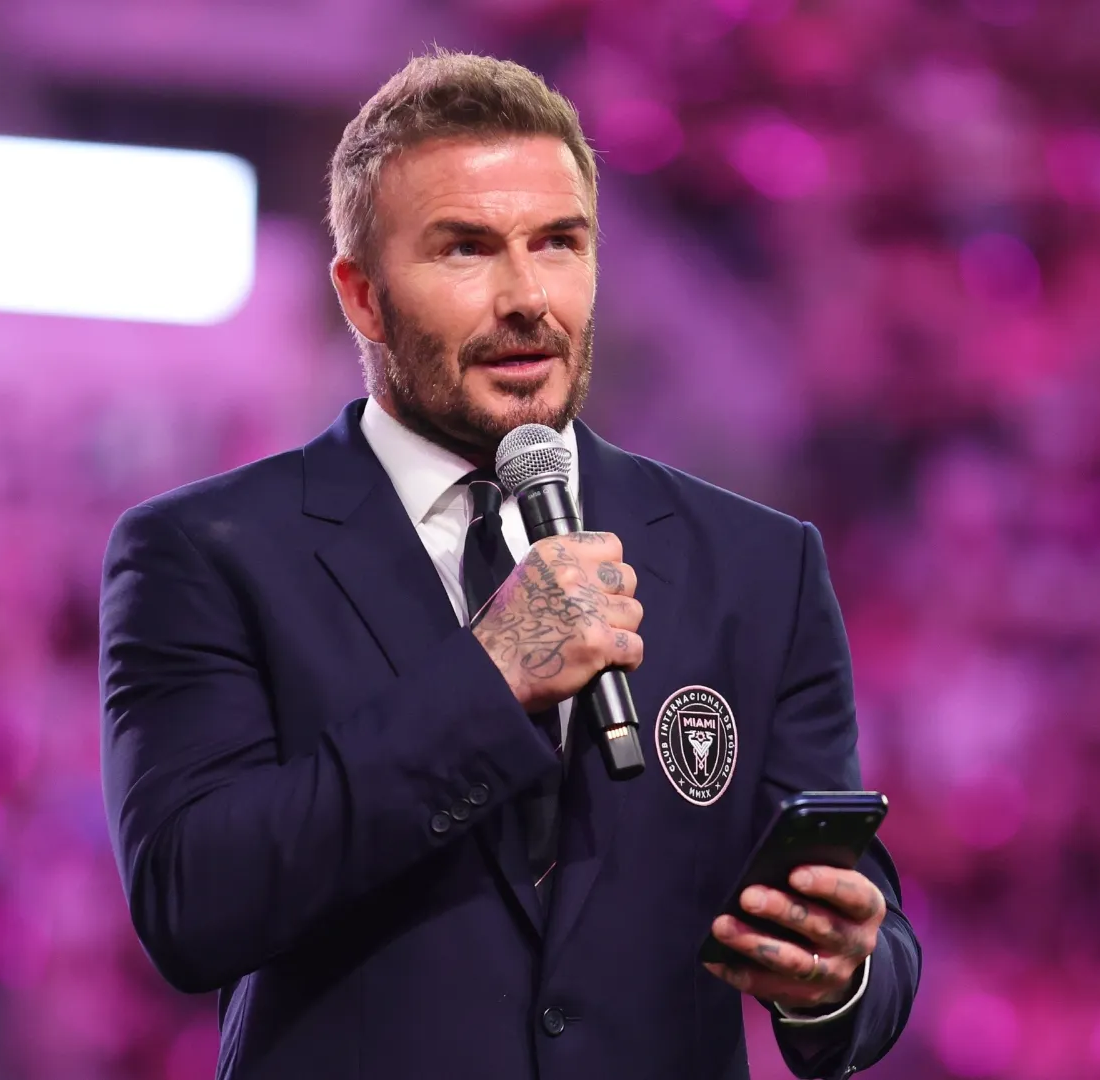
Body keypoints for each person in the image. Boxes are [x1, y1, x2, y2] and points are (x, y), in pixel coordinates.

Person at [99, 49, 920, 1079]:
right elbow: (192, 903)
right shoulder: (206, 553)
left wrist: (840, 972)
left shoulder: (759, 564)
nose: (528, 296)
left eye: (559, 243)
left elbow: (859, 932)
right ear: (362, 297)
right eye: (466, 250)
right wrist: (488, 680)